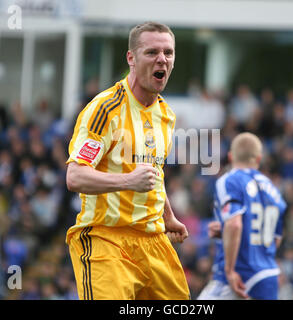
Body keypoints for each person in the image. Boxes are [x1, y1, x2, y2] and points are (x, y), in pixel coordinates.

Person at [65, 21, 190, 300]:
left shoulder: (166, 115)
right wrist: (128, 181)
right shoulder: (105, 108)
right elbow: (75, 176)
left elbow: (152, 171)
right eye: (152, 52)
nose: (162, 59)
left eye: (168, 53)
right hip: (106, 238)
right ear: (131, 58)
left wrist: (168, 216)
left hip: (153, 240)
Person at [197, 132, 287, 300]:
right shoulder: (274, 191)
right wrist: (225, 230)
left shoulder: (230, 180)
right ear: (259, 159)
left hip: (239, 275)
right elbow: (275, 240)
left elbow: (234, 225)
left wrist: (229, 271)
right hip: (268, 276)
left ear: (230, 156)